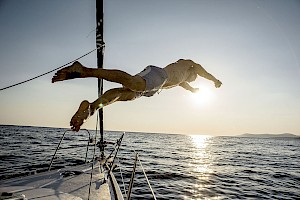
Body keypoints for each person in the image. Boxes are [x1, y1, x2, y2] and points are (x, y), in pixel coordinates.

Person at [52, 59, 222, 131]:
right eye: (194, 78)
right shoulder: (190, 65)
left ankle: (91, 108)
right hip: (158, 76)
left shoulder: (182, 77)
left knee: (124, 94)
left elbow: (182, 83)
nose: (194, 79)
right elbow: (201, 69)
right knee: (132, 83)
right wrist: (214, 80)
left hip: (153, 87)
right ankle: (84, 71)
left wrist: (192, 91)